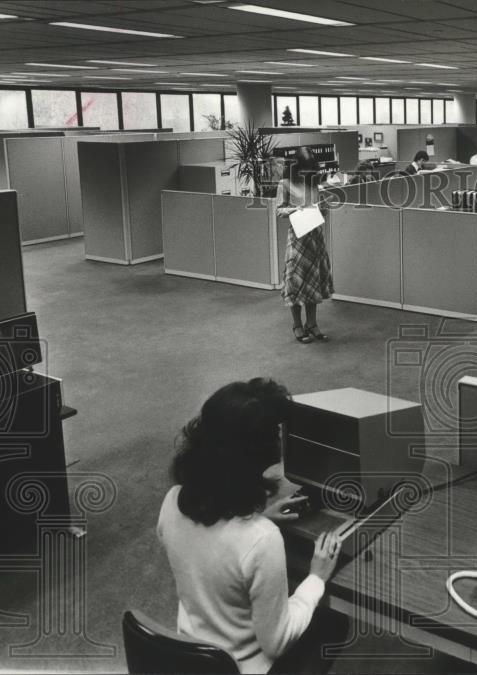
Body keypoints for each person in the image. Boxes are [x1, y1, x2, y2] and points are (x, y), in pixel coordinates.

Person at [158, 378, 347, 674]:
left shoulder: (172, 502)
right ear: (259, 452)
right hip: (243, 668)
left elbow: (209, 554)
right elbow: (277, 642)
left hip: (191, 658)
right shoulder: (261, 540)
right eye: (276, 433)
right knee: (334, 621)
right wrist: (316, 578)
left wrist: (258, 520)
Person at [278, 151, 334, 343]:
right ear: (296, 167)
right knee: (296, 281)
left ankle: (312, 324)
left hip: (315, 235)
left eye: (312, 170)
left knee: (313, 282)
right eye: (306, 170)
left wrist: (324, 207)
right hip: (298, 237)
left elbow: (322, 208)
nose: (309, 173)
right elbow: (279, 211)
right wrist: (295, 209)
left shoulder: (314, 183)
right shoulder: (285, 184)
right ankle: (297, 325)